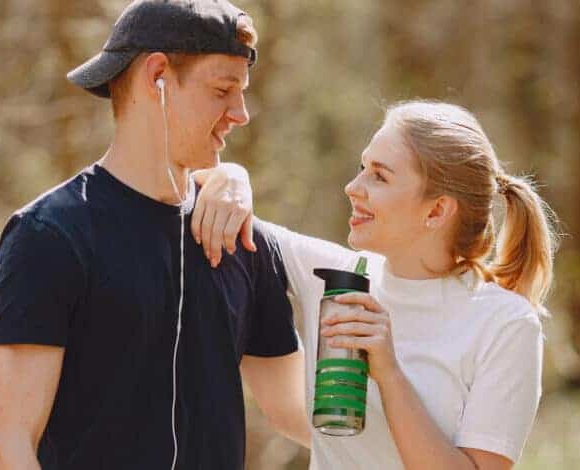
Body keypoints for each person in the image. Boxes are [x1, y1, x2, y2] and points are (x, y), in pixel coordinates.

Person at [0, 1, 309, 469]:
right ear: (157, 75)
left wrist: (384, 373)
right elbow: (6, 445)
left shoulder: (237, 236)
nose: (241, 113)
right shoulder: (50, 236)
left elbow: (298, 412)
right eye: (222, 90)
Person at [193, 100, 558, 469]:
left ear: (437, 211)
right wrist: (234, 177)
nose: (353, 187)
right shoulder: (333, 278)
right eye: (361, 168)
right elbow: (234, 217)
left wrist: (388, 371)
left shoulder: (506, 323)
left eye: (379, 176)